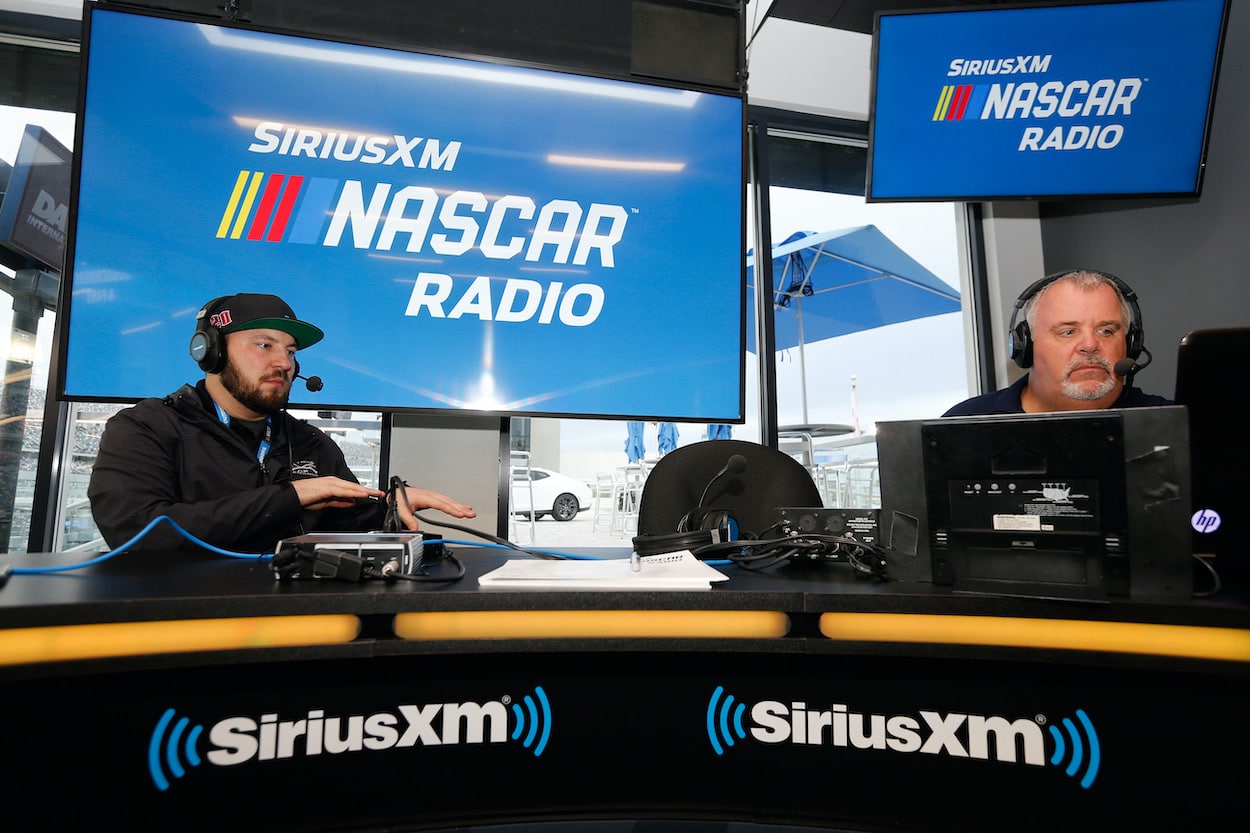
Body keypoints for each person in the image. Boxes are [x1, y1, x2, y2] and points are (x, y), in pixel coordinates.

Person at [87, 293, 476, 552]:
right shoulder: (145, 428)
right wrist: (291, 496)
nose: (284, 363)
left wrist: (389, 508)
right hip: (182, 637)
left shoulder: (310, 442)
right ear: (211, 352)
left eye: (290, 351)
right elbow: (136, 531)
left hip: (297, 632)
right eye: (264, 345)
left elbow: (344, 525)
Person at [943, 269, 1172, 416]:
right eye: (1068, 332)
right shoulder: (964, 424)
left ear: (1130, 343)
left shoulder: (1170, 422)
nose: (1090, 344)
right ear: (1026, 346)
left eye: (1106, 330)